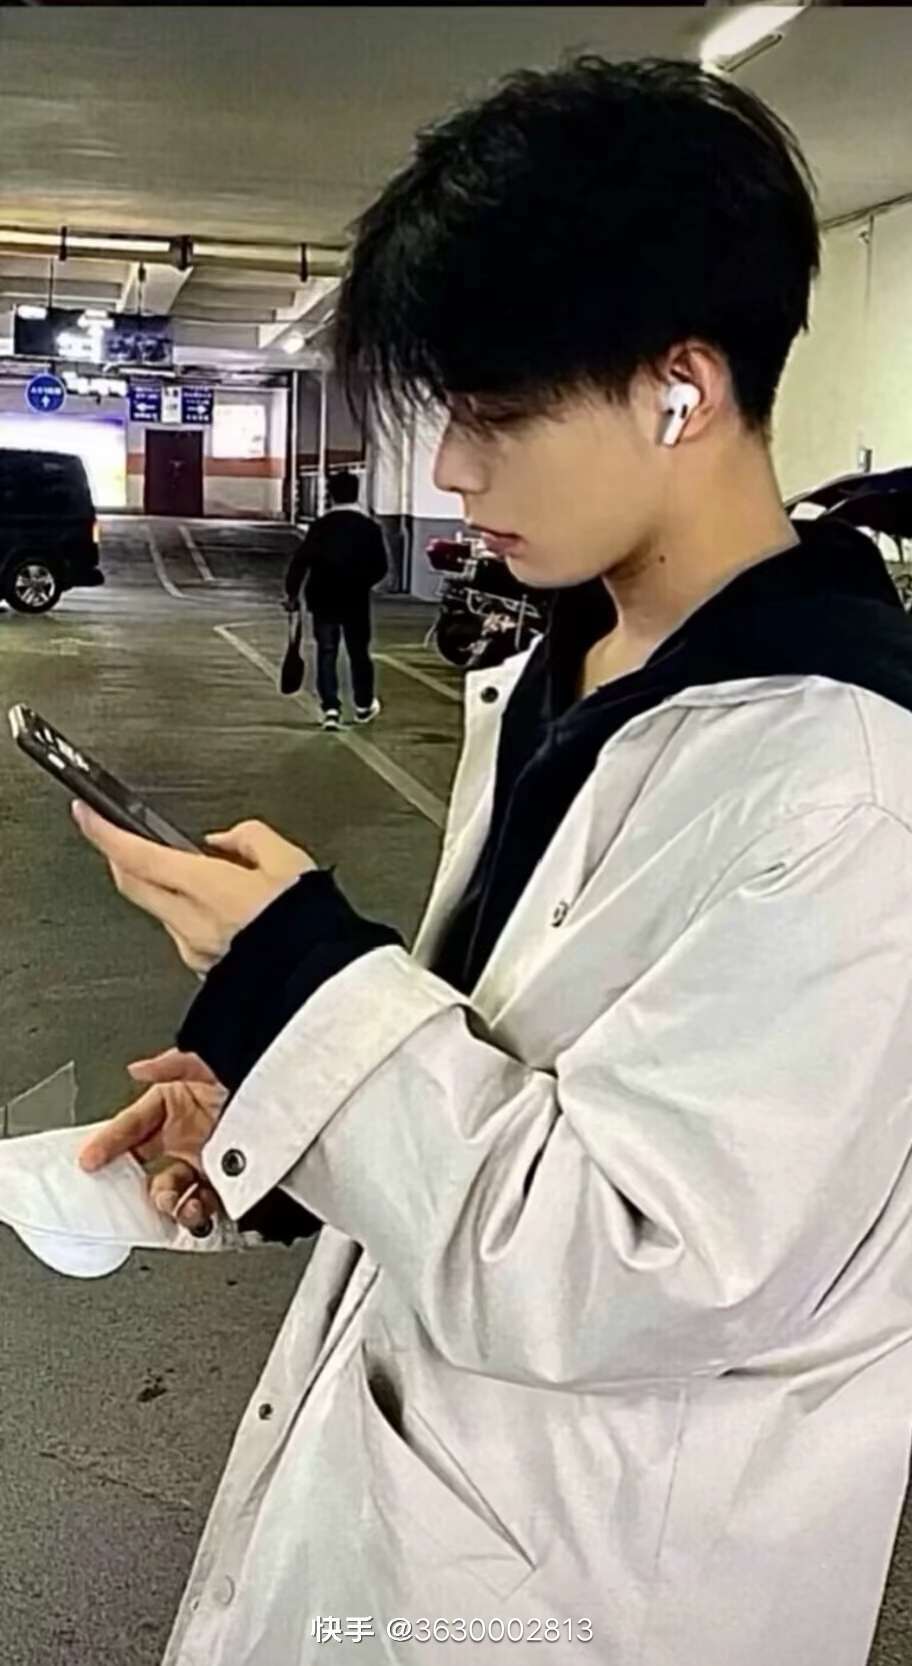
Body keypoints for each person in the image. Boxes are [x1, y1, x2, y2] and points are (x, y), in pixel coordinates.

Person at [72, 57, 912, 1666]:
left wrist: (303, 979)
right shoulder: (568, 672)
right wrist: (286, 1119)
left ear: (683, 389)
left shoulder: (848, 791)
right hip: (426, 1505)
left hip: (596, 1588)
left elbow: (634, 1262)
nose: (452, 472)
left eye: (495, 414)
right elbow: (521, 1071)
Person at [284, 468, 387, 730]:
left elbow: (300, 562)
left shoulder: (320, 527)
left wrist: (292, 593)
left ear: (331, 495)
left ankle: (331, 709)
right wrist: (361, 582)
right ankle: (363, 706)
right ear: (357, 493)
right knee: (359, 653)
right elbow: (381, 567)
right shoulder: (369, 528)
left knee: (326, 652)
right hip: (355, 599)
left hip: (322, 597)